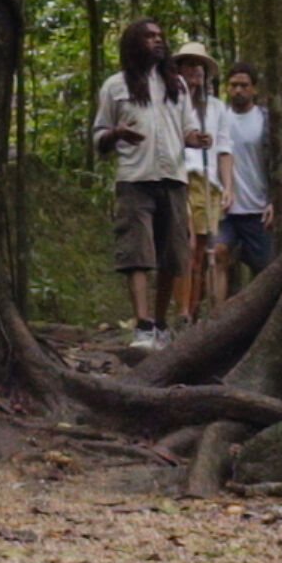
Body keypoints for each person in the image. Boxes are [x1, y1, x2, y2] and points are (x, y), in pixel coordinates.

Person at [91, 18, 208, 349]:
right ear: (133, 44)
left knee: (173, 255)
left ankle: (159, 324)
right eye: (149, 37)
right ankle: (142, 325)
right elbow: (98, 135)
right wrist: (117, 134)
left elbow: (186, 129)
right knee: (137, 253)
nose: (158, 41)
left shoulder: (178, 86)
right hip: (135, 179)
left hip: (173, 178)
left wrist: (196, 138)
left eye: (161, 36)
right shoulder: (115, 86)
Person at [171, 39, 233, 326]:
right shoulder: (171, 101)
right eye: (190, 64)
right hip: (181, 177)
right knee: (187, 245)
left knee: (203, 252)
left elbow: (224, 148)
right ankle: (181, 313)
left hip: (209, 184)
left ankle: (193, 315)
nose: (196, 70)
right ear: (179, 69)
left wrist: (228, 186)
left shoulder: (217, 108)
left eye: (200, 66)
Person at [213, 61, 273, 303]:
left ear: (254, 89)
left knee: (264, 268)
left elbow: (278, 163)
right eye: (234, 85)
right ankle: (214, 321)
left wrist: (274, 201)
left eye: (244, 85)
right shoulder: (218, 118)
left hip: (257, 207)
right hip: (224, 207)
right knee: (217, 255)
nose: (238, 90)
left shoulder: (266, 119)